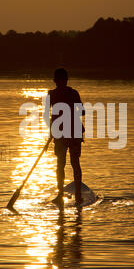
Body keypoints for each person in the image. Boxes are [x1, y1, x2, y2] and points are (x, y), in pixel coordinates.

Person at [48, 68, 85, 207]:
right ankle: (70, 194)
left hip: (67, 133)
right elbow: (82, 111)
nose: (63, 83)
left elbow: (51, 116)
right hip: (66, 133)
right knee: (67, 163)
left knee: (66, 164)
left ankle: (69, 194)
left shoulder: (52, 94)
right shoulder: (72, 93)